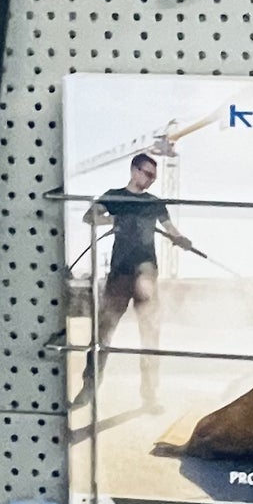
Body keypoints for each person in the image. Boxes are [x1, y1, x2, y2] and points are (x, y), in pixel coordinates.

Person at [71, 152, 202, 409]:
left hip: (147, 275)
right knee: (103, 334)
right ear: (134, 171)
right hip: (119, 275)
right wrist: (115, 219)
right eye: (148, 173)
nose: (152, 179)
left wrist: (181, 239)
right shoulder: (114, 196)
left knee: (151, 335)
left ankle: (149, 395)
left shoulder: (155, 203)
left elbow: (170, 227)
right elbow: (90, 217)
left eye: (154, 176)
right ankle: (88, 389)